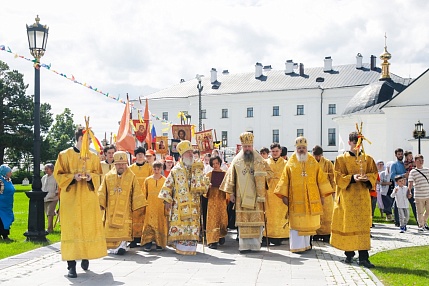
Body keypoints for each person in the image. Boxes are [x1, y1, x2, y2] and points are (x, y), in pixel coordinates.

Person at [53, 126, 107, 278]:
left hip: (88, 199)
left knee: (87, 228)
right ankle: (71, 266)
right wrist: (72, 177)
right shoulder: (64, 155)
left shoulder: (94, 157)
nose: (91, 142)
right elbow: (58, 174)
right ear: (81, 139)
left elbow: (99, 176)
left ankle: (85, 256)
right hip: (70, 199)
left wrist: (91, 177)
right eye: (89, 139)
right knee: (71, 230)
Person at [274, 138, 333, 253]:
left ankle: (307, 245)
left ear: (307, 149)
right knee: (297, 223)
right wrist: (284, 196)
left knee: (308, 223)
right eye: (299, 148)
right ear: (296, 149)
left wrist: (322, 196)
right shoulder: (291, 162)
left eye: (303, 148)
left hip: (311, 199)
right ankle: (296, 247)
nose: (301, 150)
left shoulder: (312, 161)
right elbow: (284, 179)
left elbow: (320, 179)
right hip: (295, 199)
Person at [330, 131, 378, 269]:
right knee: (348, 225)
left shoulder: (368, 159)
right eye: (354, 143)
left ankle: (364, 258)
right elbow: (337, 177)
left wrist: (367, 178)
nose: (357, 146)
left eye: (359, 143)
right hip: (347, 198)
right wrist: (352, 178)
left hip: (362, 199)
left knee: (363, 227)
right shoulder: (341, 159)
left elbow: (374, 173)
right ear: (349, 142)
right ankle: (349, 254)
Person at [220, 132, 273, 253]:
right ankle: (244, 246)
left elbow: (270, 174)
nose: (247, 149)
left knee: (255, 222)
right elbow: (230, 178)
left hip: (256, 197)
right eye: (245, 147)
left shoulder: (259, 159)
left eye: (249, 146)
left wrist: (261, 176)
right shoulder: (237, 160)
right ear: (242, 147)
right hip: (241, 197)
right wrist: (232, 194)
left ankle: (255, 246)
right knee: (243, 222)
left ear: (252, 146)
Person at [158, 140, 209, 255]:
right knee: (181, 224)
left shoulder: (197, 167)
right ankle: (181, 246)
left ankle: (192, 246)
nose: (191, 155)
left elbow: (204, 181)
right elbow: (168, 185)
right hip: (179, 205)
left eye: (191, 152)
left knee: (192, 223)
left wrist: (204, 185)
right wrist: (167, 200)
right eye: (188, 153)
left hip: (194, 203)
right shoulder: (175, 171)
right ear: (182, 155)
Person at [98, 151, 147, 255]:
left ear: (126, 164)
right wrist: (101, 202)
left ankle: (122, 246)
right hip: (111, 208)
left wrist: (138, 205)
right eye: (119, 164)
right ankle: (112, 248)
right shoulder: (108, 176)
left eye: (123, 164)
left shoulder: (131, 176)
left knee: (123, 228)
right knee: (111, 228)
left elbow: (137, 191)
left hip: (125, 209)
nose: (121, 166)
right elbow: (102, 190)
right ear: (115, 164)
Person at [263, 143, 289, 246]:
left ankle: (282, 235)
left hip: (281, 193)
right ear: (270, 152)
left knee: (281, 214)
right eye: (273, 151)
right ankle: (268, 235)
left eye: (276, 151)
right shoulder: (265, 163)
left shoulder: (286, 163)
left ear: (280, 151)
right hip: (269, 192)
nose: (275, 153)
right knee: (269, 214)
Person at [129, 147, 153, 248]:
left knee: (145, 218)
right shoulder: (130, 168)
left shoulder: (149, 168)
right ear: (135, 155)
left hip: (145, 196)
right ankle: (134, 239)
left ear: (144, 155)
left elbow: (151, 181)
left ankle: (146, 239)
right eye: (138, 154)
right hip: (134, 196)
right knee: (134, 218)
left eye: (142, 154)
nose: (140, 156)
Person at [141, 161, 168, 251]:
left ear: (161, 169)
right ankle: (148, 242)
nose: (156, 171)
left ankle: (159, 243)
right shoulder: (147, 180)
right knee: (149, 222)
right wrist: (143, 205)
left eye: (158, 169)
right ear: (152, 169)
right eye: (155, 169)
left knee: (160, 222)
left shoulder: (165, 180)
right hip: (150, 204)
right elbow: (144, 193)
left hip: (160, 205)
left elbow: (167, 193)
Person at [312, 145, 336, 242]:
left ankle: (327, 233)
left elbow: (333, 178)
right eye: (315, 156)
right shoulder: (309, 162)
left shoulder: (328, 163)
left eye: (319, 156)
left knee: (327, 213)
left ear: (321, 155)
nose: (317, 158)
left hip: (326, 191)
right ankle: (316, 233)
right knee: (315, 213)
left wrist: (333, 190)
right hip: (314, 191)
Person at [205, 156, 228, 249]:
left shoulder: (225, 174)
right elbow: (204, 186)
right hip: (212, 199)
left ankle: (221, 235)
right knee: (212, 219)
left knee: (222, 217)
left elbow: (229, 186)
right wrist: (208, 186)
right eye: (213, 164)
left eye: (217, 163)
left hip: (222, 198)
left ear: (220, 163)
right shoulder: (209, 174)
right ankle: (212, 240)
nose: (215, 165)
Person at [408, 154, 429, 232]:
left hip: (427, 194)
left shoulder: (427, 170)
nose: (421, 162)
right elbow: (410, 182)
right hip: (418, 195)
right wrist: (409, 191)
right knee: (419, 211)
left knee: (428, 210)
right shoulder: (413, 172)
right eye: (419, 160)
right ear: (415, 161)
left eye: (422, 160)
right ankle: (421, 225)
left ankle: (424, 222)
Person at [41, 163, 58, 234]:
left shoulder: (56, 177)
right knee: (47, 213)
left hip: (53, 197)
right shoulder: (44, 177)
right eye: (45, 169)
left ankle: (49, 229)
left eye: (47, 169)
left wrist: (56, 193)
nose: (45, 170)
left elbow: (58, 186)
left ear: (51, 169)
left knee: (49, 213)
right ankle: (50, 226)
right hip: (45, 197)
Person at [0, 164, 15, 242]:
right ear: (5, 172)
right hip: (1, 205)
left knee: (8, 218)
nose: (11, 173)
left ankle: (5, 234)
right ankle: (4, 235)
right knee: (2, 220)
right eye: (9, 171)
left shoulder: (9, 180)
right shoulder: (0, 181)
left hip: (8, 204)